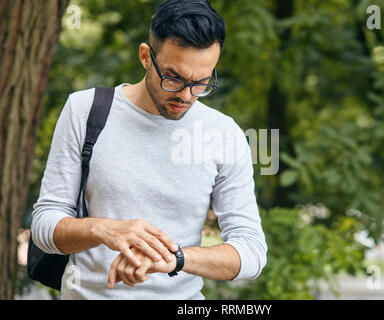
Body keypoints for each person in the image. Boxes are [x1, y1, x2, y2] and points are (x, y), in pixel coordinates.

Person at [31, 0, 267, 299]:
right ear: (146, 56)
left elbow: (251, 252)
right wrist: (104, 229)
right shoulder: (85, 110)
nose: (186, 95)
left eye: (202, 83)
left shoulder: (223, 134)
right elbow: (44, 224)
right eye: (173, 78)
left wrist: (176, 259)